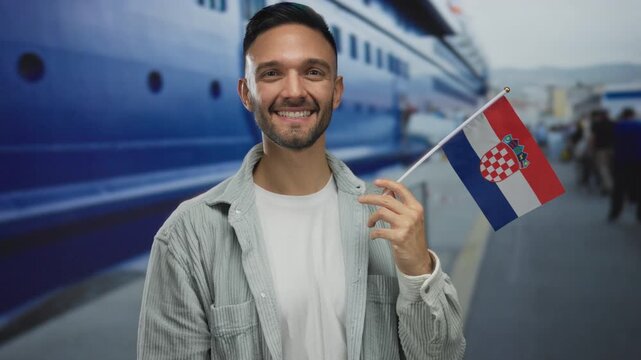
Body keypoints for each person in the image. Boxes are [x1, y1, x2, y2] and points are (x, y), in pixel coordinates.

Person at [137, 3, 465, 359]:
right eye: (272, 73)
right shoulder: (188, 236)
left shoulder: (389, 220)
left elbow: (444, 356)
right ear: (246, 93)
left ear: (336, 91)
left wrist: (418, 269)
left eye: (312, 72)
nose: (294, 91)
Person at [608, 107, 641, 222]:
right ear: (633, 114)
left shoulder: (617, 126)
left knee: (619, 188)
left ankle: (615, 212)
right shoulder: (638, 125)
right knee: (638, 185)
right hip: (638, 159)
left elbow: (611, 142)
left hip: (621, 160)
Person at [590, 109, 614, 195]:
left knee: (603, 168)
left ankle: (608, 186)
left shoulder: (596, 125)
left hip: (600, 150)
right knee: (610, 168)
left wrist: (591, 149)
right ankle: (606, 186)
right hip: (612, 149)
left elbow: (593, 138)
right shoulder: (613, 124)